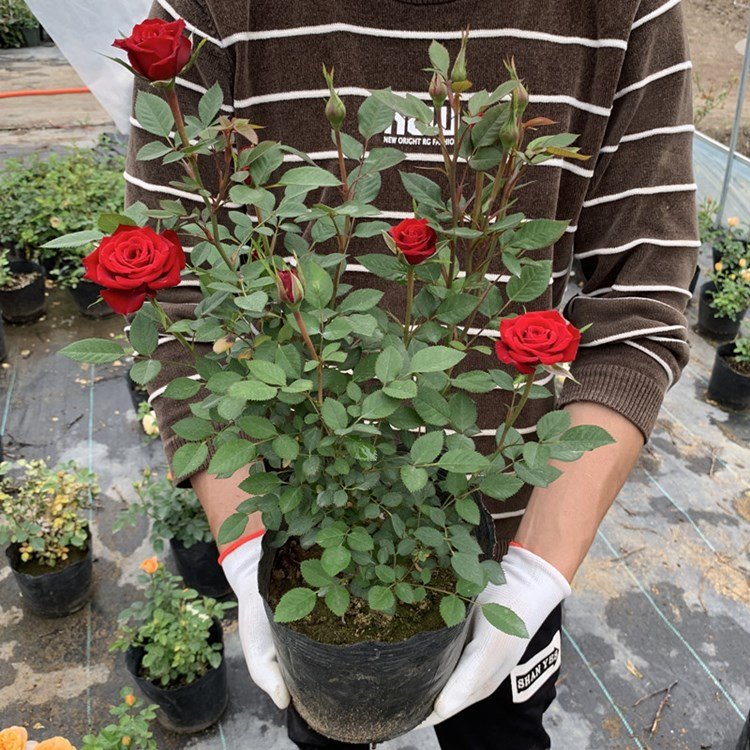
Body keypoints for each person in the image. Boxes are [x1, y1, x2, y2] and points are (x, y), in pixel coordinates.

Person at [124, 1, 699, 747]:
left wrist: (536, 574)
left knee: (501, 738)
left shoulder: (626, 9)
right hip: (301, 530)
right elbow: (173, 295)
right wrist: (245, 548)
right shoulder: (210, 7)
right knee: (326, 732)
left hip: (511, 537)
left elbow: (638, 305)